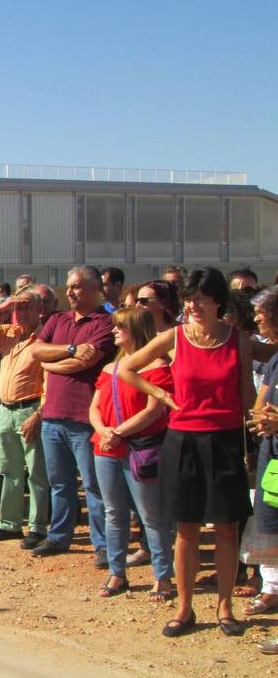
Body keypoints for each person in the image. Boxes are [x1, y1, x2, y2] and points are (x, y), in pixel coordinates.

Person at [119, 267, 254, 638]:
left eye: (201, 298)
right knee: (187, 529)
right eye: (189, 298)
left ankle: (225, 606)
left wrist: (258, 428)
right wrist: (162, 396)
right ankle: (184, 607)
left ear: (217, 301)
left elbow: (247, 396)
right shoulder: (176, 337)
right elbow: (127, 368)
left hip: (226, 440)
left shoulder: (238, 340)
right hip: (183, 440)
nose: (193, 305)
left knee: (227, 530)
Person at [29, 266, 115, 561]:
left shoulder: (106, 322)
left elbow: (86, 362)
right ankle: (59, 536)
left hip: (85, 417)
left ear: (95, 289)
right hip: (53, 414)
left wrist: (52, 360)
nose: (70, 292)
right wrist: (69, 350)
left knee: (93, 486)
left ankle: (102, 544)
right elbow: (36, 352)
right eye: (68, 286)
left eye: (77, 286)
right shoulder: (57, 319)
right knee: (60, 482)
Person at [88, 307, 174, 601]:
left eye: (120, 327)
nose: (114, 331)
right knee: (114, 513)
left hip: (142, 448)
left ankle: (163, 577)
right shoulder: (110, 368)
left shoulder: (157, 366)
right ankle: (117, 572)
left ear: (135, 330)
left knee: (152, 515)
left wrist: (116, 432)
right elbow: (95, 407)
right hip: (107, 447)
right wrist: (105, 431)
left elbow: (154, 410)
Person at [0, 288, 49, 547]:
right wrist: (3, 307)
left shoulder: (45, 339)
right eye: (19, 307)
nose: (22, 311)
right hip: (5, 410)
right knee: (9, 470)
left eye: (27, 306)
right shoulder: (9, 336)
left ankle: (37, 527)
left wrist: (39, 414)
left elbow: (50, 382)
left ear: (40, 310)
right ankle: (10, 523)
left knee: (36, 472)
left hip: (30, 409)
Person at [245, 286, 278, 625]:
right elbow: (259, 403)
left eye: (262, 312)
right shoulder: (275, 359)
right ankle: (272, 588)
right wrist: (263, 418)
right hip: (272, 456)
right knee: (270, 525)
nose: (256, 318)